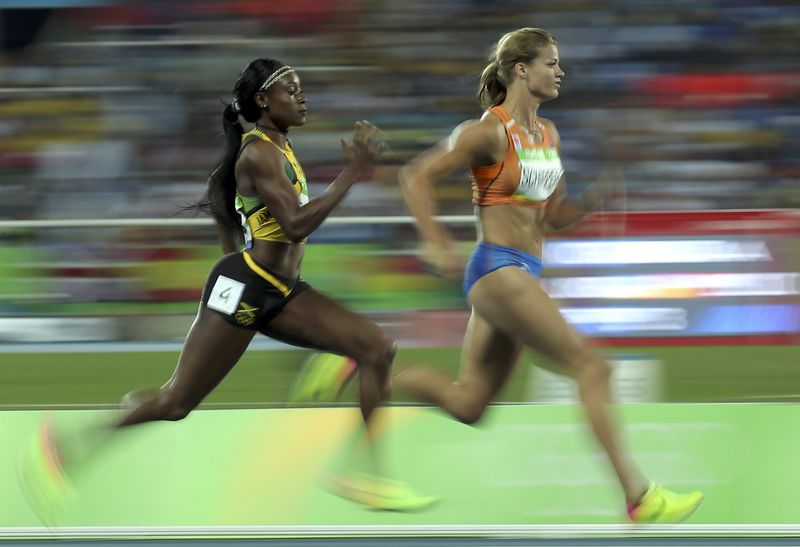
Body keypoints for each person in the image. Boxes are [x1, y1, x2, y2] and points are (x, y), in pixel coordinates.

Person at [18, 58, 436, 525]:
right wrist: (351, 173)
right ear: (263, 101)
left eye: (302, 90)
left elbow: (238, 217)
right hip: (246, 289)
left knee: (377, 346)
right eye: (291, 91)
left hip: (278, 287)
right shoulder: (258, 153)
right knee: (175, 403)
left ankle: (363, 470)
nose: (303, 98)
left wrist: (243, 260)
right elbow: (295, 223)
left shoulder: (279, 147)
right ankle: (62, 450)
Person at [391, 28, 704, 523]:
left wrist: (592, 203)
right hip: (496, 269)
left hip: (522, 273)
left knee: (469, 404)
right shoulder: (488, 131)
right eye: (552, 63)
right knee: (592, 368)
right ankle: (639, 498)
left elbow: (553, 217)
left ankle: (368, 372)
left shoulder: (549, 135)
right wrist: (433, 238)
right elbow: (415, 176)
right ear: (521, 69)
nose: (561, 72)